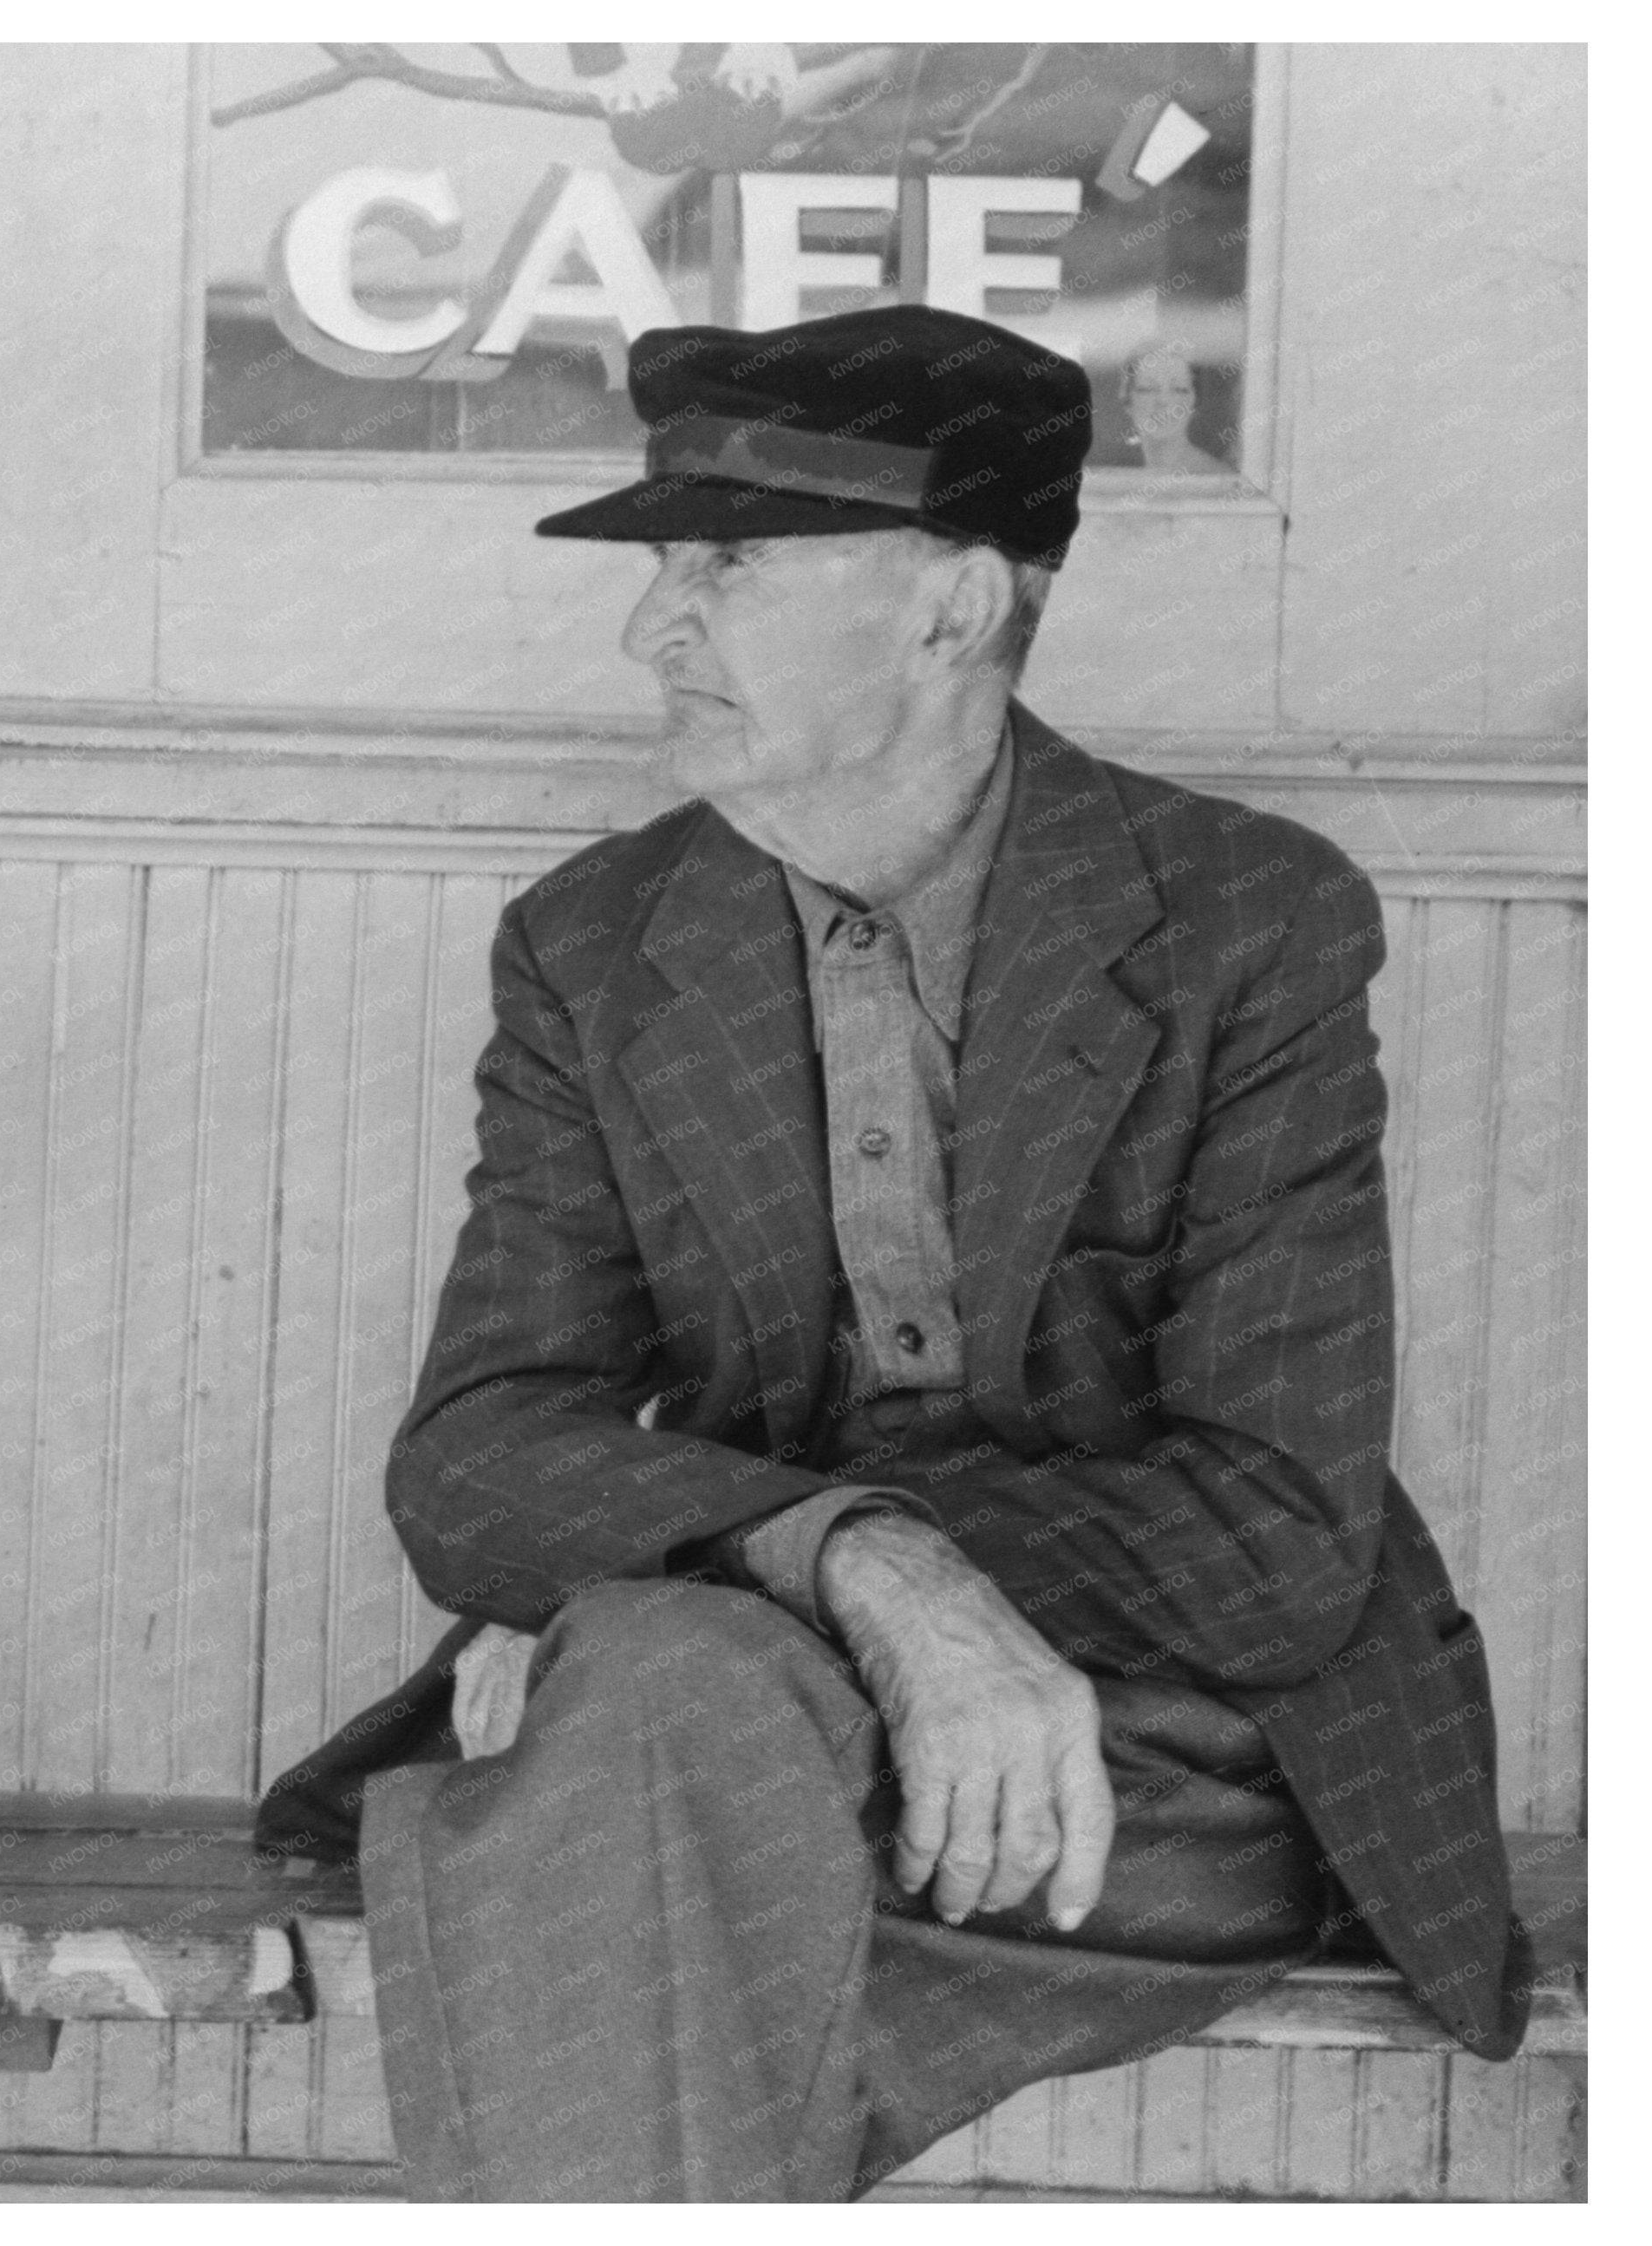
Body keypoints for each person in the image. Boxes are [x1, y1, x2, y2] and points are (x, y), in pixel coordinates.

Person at [256, 305, 1528, 2200]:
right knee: (659, 1742)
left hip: (1168, 1743)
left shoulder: (1245, 922)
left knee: (606, 1840)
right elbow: (469, 1455)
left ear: (947, 606)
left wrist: (719, 1558)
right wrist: (867, 1563)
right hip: (757, 1722)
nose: (648, 626)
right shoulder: (590, 948)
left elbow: (1272, 1536)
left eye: (725, 565)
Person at [1124, 339, 1231, 473]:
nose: (1162, 401)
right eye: (1148, 389)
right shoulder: (1113, 476)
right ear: (1127, 401)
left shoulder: (1219, 477)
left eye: (1178, 389)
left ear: (1195, 402)